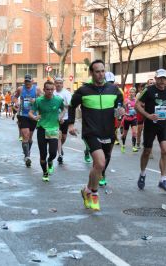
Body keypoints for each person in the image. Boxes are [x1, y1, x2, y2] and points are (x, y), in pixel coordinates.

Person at [68, 59, 124, 211]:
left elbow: (120, 107)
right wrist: (71, 124)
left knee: (100, 166)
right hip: (90, 132)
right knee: (99, 163)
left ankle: (86, 190)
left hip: (108, 132)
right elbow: (71, 106)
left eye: (102, 71)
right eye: (97, 71)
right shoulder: (83, 90)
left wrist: (121, 112)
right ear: (91, 73)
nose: (100, 74)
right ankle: (93, 194)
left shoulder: (114, 90)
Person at [135, 69, 166, 193]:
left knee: (165, 151)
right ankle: (142, 174)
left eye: (164, 78)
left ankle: (163, 179)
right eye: (160, 78)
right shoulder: (149, 90)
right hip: (151, 124)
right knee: (146, 151)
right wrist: (148, 115)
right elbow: (137, 105)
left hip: (163, 125)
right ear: (156, 79)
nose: (162, 81)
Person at [29, 80, 65, 181]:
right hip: (42, 128)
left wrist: (60, 117)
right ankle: (45, 173)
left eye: (51, 89)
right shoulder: (39, 101)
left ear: (54, 90)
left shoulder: (58, 100)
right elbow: (31, 113)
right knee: (43, 154)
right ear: (44, 90)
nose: (50, 91)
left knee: (53, 153)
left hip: (53, 129)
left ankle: (50, 161)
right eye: (47, 89)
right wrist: (35, 117)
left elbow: (63, 109)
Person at [15, 74, 41, 167]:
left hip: (32, 116)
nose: (27, 83)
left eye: (29, 81)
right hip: (22, 115)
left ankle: (28, 152)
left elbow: (42, 100)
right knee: (25, 135)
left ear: (32, 81)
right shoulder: (20, 89)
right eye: (26, 81)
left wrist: (36, 101)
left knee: (30, 137)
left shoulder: (37, 90)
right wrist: (16, 102)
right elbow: (15, 96)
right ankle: (27, 157)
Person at [53, 76, 72, 164]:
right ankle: (60, 155)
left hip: (65, 118)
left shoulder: (66, 93)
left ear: (62, 84)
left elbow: (69, 106)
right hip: (55, 119)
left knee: (63, 137)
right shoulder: (52, 93)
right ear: (55, 84)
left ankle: (60, 148)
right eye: (57, 83)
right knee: (59, 136)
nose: (59, 85)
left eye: (60, 83)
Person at [121, 88, 138, 153]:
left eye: (133, 92)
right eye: (130, 92)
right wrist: (125, 110)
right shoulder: (126, 100)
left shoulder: (136, 100)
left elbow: (138, 109)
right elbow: (123, 109)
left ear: (135, 93)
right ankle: (123, 145)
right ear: (129, 93)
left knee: (134, 132)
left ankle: (134, 147)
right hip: (127, 119)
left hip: (134, 118)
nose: (131, 93)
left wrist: (135, 111)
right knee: (124, 134)